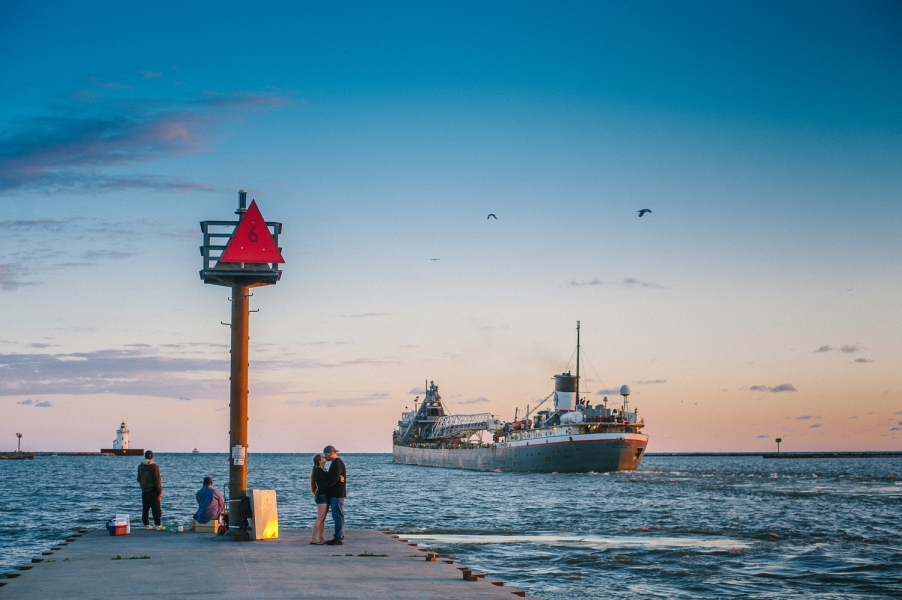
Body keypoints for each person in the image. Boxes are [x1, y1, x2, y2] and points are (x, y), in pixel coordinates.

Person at [318, 445, 346, 545]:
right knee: (337, 515)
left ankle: (339, 538)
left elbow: (334, 479)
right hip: (336, 494)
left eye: (327, 454)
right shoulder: (335, 463)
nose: (326, 457)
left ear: (332, 453)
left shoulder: (337, 463)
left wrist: (323, 487)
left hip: (337, 494)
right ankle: (338, 536)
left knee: (338, 516)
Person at [137, 450, 163, 530]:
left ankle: (146, 524)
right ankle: (158, 525)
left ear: (145, 456)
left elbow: (138, 479)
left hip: (144, 490)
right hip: (153, 491)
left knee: (145, 508)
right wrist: (160, 492)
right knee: (156, 508)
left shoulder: (140, 466)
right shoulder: (154, 466)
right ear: (152, 457)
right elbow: (157, 481)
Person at [309, 454, 330, 544]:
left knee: (323, 518)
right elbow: (323, 483)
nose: (324, 457)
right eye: (322, 457)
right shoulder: (319, 471)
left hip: (324, 495)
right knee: (320, 517)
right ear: (319, 461)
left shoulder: (323, 470)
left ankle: (321, 537)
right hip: (322, 495)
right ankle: (313, 538)